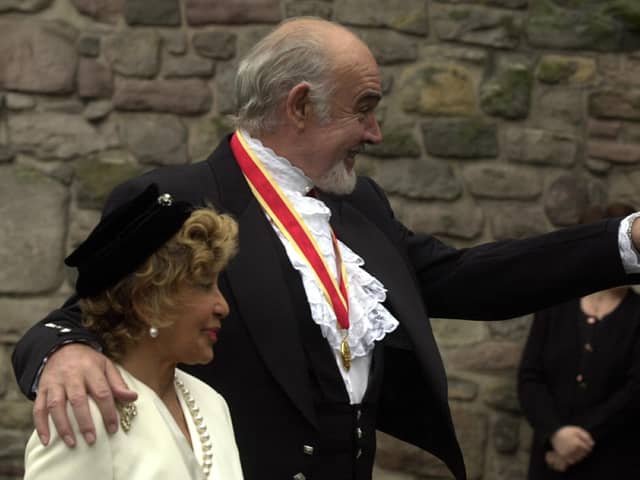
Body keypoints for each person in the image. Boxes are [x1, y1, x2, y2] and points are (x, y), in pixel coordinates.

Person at [11, 17, 640, 480]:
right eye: (364, 110)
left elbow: (468, 277)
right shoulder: (177, 197)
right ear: (301, 106)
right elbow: (88, 312)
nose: (376, 132)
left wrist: (626, 242)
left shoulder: (361, 204)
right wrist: (61, 353)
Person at [23, 184, 243, 480]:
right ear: (147, 301)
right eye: (204, 285)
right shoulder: (85, 409)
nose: (222, 306)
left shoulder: (211, 403)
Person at [518, 203, 640, 479]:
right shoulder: (556, 304)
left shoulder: (637, 315)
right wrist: (556, 434)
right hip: (549, 459)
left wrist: (576, 443)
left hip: (613, 461)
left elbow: (634, 391)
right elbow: (530, 377)